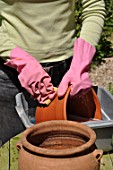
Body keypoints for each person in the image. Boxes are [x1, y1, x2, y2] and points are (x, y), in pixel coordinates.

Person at [0, 0, 106, 146]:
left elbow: (93, 7)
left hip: (66, 77)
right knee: (11, 153)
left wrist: (81, 62)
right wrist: (17, 58)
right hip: (11, 80)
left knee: (69, 149)